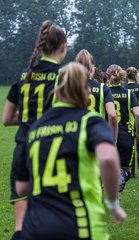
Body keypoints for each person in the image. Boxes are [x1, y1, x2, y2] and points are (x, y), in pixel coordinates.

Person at [14, 62, 127, 240]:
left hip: (35, 226)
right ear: (85, 91)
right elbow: (107, 159)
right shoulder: (91, 122)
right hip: (78, 224)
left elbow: (21, 188)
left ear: (57, 90)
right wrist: (113, 202)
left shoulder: (36, 128)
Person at [2, 20, 67, 240]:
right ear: (63, 47)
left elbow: (7, 118)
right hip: (50, 151)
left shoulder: (24, 75)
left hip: (22, 150)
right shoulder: (62, 76)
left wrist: (30, 117)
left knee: (21, 228)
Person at [108, 64, 139, 184]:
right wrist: (138, 133)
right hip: (126, 134)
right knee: (126, 170)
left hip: (108, 134)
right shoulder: (128, 94)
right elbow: (138, 114)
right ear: (122, 77)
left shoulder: (105, 93)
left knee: (106, 170)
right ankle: (120, 179)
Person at [75, 49, 118, 143]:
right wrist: (113, 139)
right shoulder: (103, 88)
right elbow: (112, 115)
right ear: (92, 67)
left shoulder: (70, 87)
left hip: (75, 136)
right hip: (97, 135)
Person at [125, 66, 139, 174]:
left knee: (130, 143)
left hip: (128, 118)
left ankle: (132, 172)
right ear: (136, 75)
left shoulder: (124, 88)